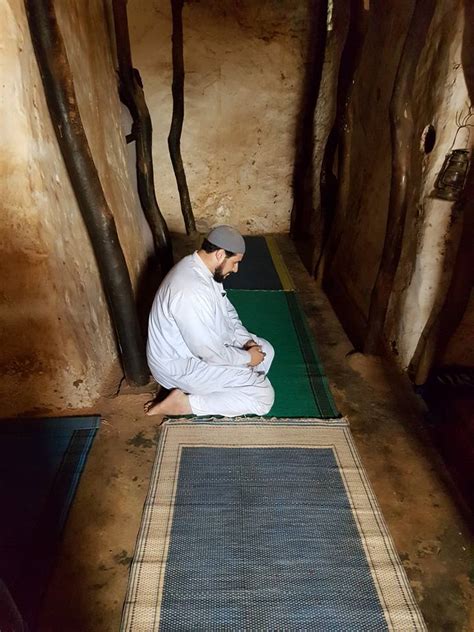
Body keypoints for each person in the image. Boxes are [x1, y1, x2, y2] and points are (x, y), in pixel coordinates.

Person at [145, 225, 275, 418]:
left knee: (266, 350)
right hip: (180, 366)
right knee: (264, 399)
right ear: (221, 255)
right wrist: (247, 358)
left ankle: (229, 386)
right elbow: (208, 352)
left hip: (199, 350)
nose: (236, 269)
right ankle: (184, 404)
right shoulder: (189, 290)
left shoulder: (203, 270)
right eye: (235, 262)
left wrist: (245, 342)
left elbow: (228, 314)